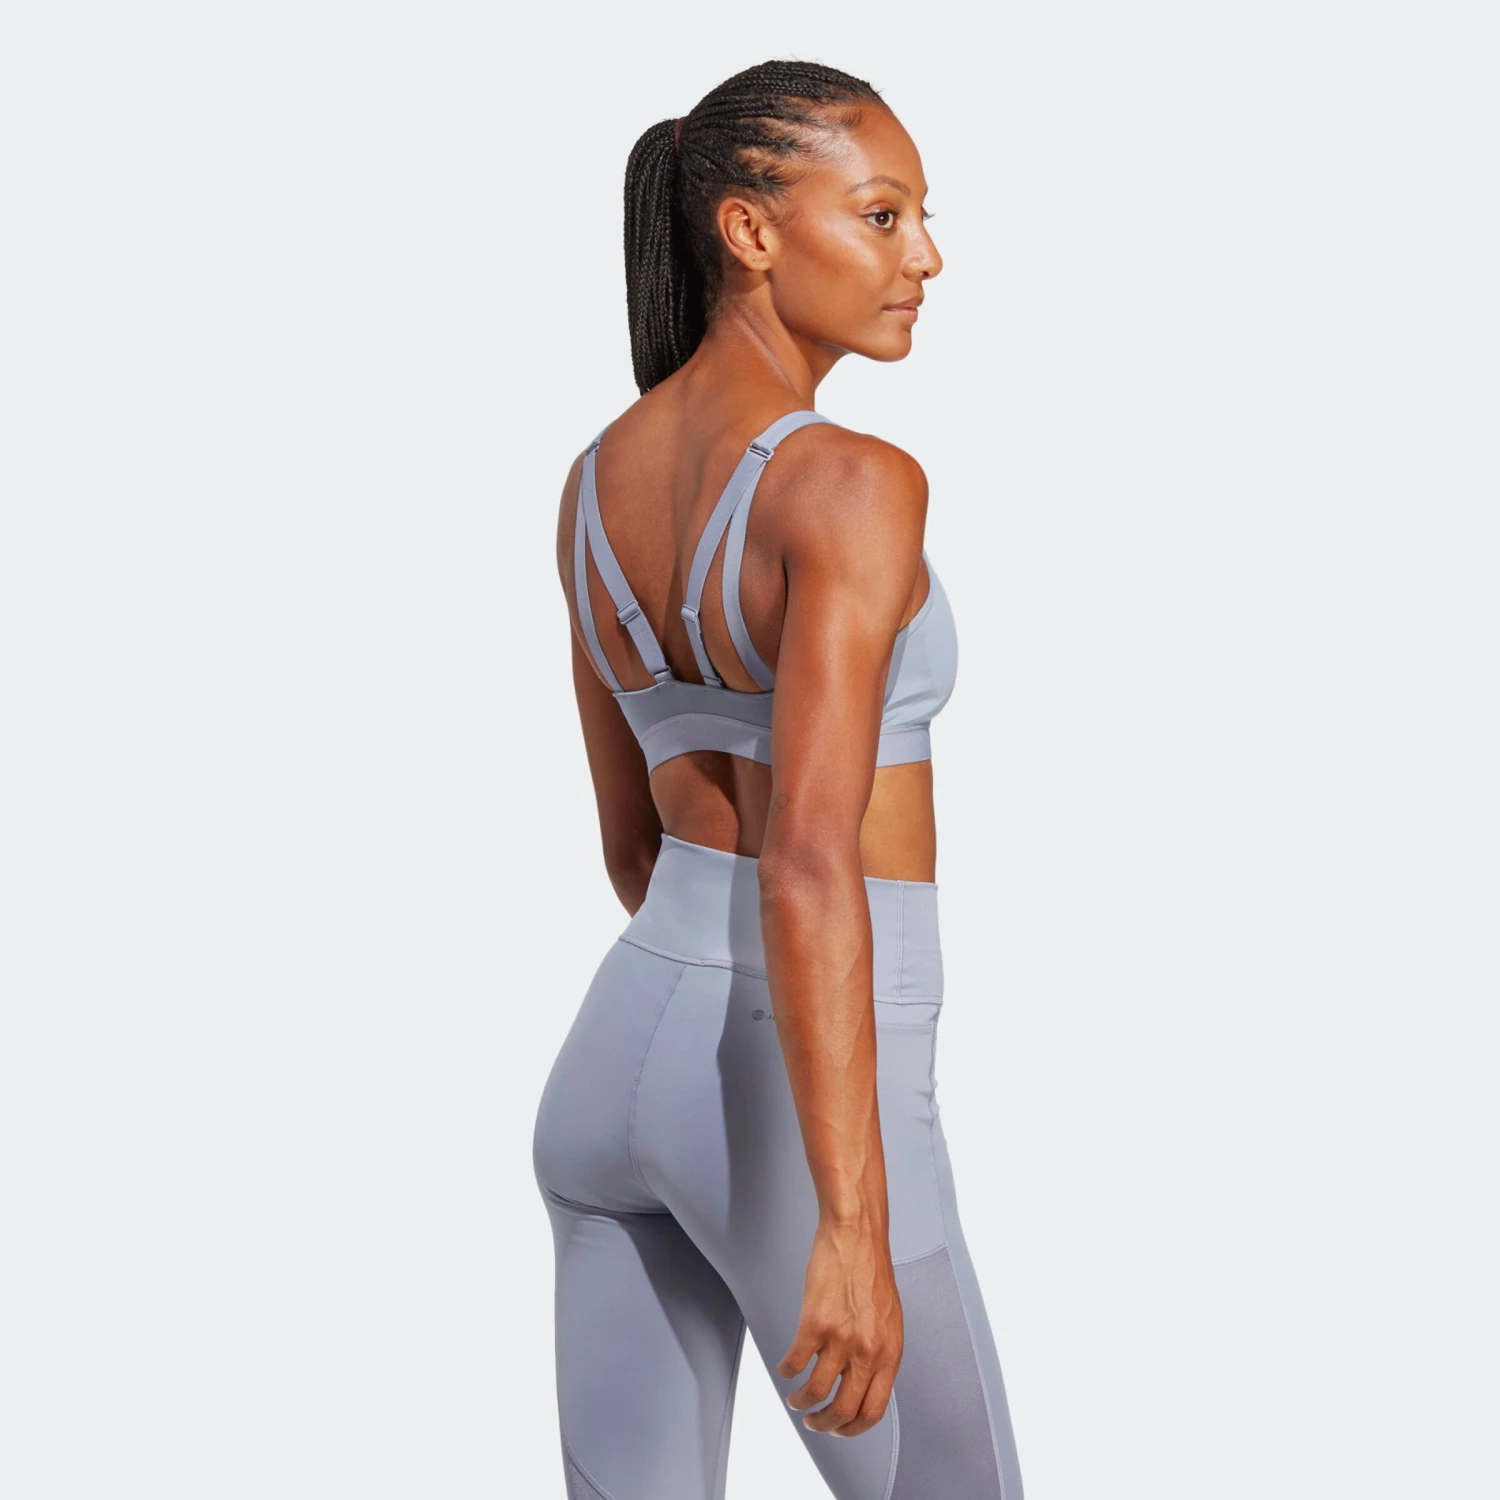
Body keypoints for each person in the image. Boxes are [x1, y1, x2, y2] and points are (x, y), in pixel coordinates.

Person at [531, 59, 1025, 1500]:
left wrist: (699, 987)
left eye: (920, 216)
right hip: (795, 1089)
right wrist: (850, 1225)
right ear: (750, 231)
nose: (924, 256)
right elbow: (811, 859)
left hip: (616, 1054)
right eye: (881, 215)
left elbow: (633, 844)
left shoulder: (592, 482)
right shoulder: (853, 483)